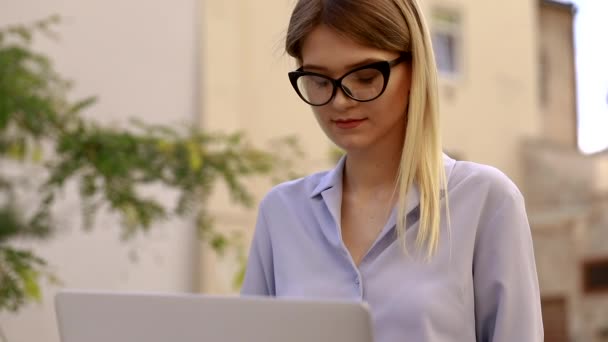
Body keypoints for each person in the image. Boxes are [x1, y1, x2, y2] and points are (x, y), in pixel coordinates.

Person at [240, 0, 544, 341]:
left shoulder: (485, 200)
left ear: (415, 69)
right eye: (319, 80)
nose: (340, 100)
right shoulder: (282, 213)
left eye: (365, 76)